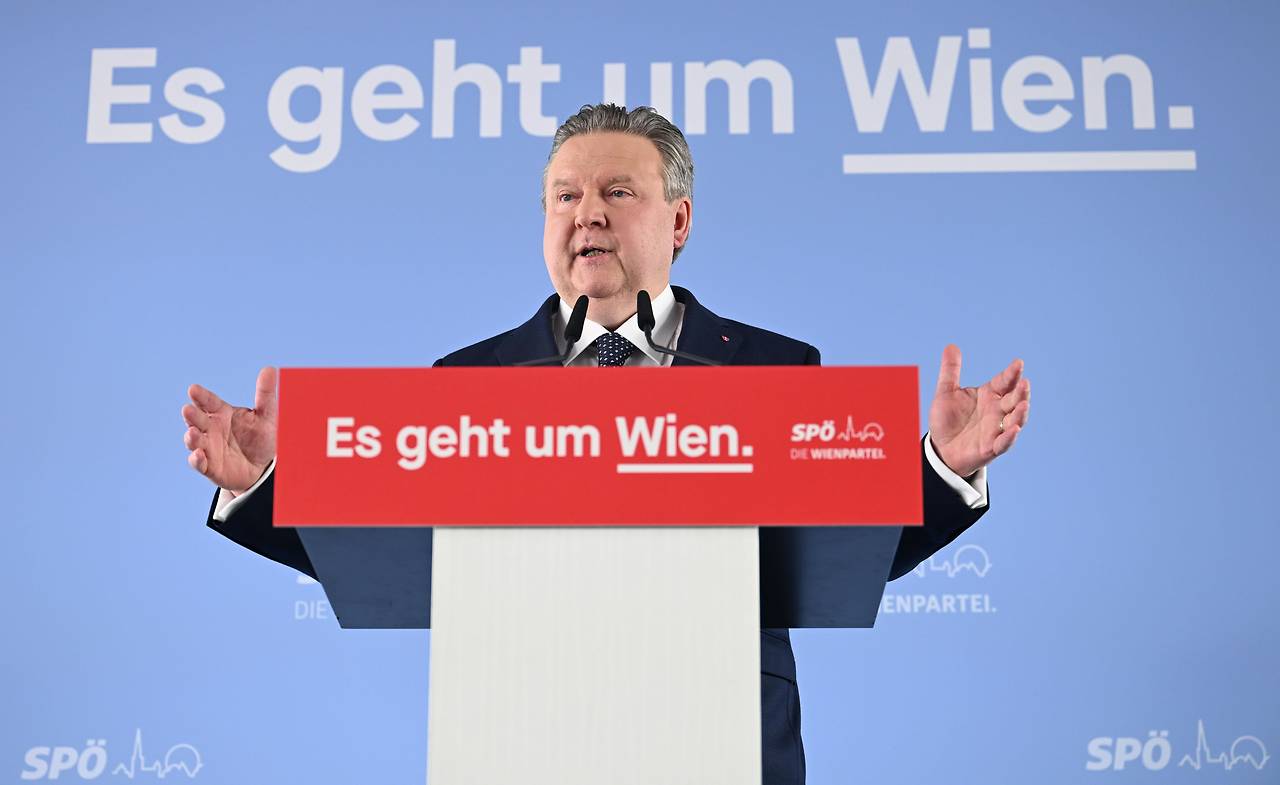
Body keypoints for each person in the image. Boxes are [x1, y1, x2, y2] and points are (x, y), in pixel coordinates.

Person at [181, 103, 1030, 785]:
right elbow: (389, 557)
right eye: (564, 196)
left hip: (723, 740)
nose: (586, 213)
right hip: (521, 738)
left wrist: (940, 470)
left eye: (617, 191)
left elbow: (844, 551)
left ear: (679, 219)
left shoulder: (775, 368)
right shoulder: (464, 380)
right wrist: (264, 487)